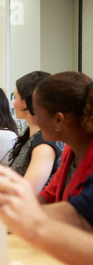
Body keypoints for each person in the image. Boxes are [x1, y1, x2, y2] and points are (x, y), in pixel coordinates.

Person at [0, 163, 93, 265]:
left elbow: (79, 217)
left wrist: (38, 225)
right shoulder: (69, 154)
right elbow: (50, 198)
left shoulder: (44, 146)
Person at [33, 72, 93, 204]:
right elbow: (49, 195)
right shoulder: (70, 151)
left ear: (58, 120)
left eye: (36, 114)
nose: (35, 121)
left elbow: (75, 216)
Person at [8, 71, 64, 193]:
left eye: (15, 97)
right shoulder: (32, 136)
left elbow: (27, 192)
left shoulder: (44, 144)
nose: (13, 102)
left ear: (26, 102)